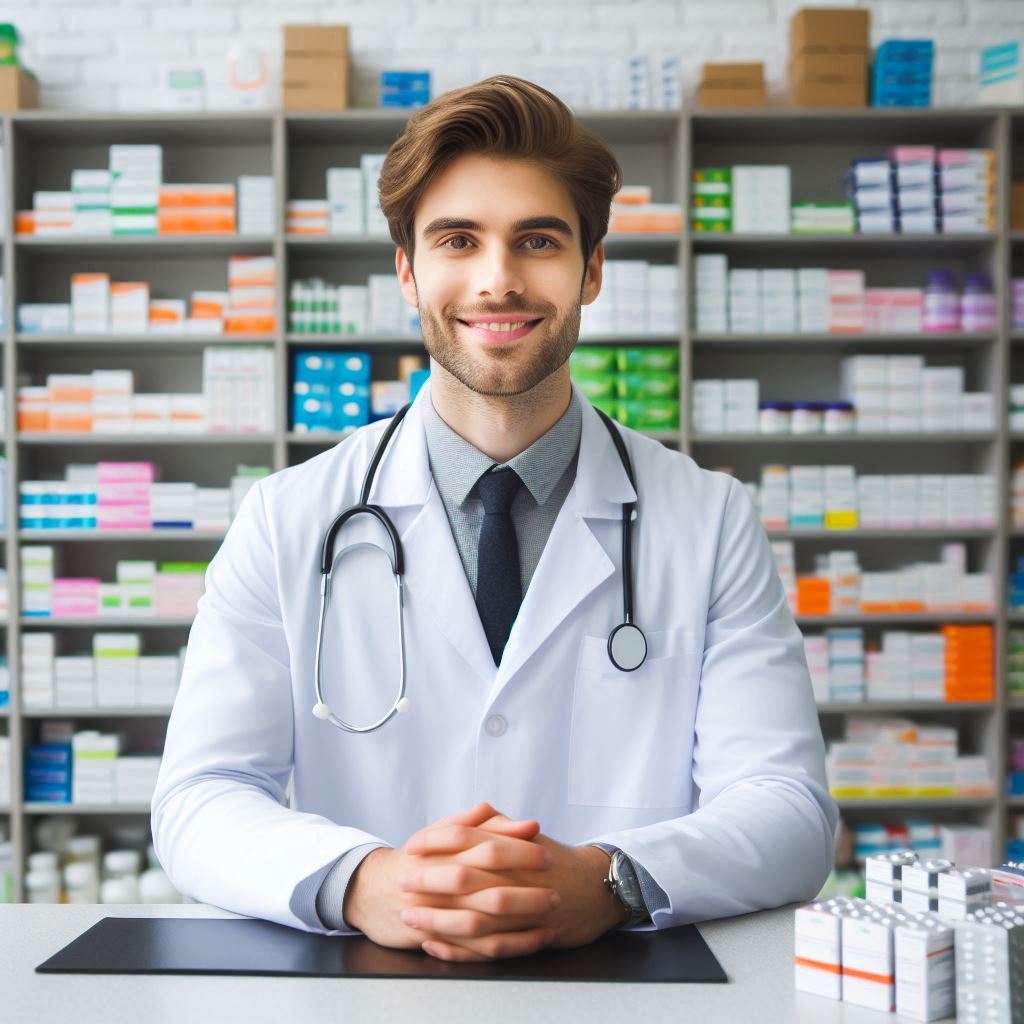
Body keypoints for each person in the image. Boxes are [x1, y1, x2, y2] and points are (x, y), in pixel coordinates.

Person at [151, 75, 838, 964]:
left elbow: (789, 810)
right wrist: (365, 882)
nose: (498, 280)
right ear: (408, 269)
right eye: (457, 240)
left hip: (626, 996)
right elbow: (199, 799)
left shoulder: (707, 520)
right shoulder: (290, 518)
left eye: (538, 240)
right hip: (369, 991)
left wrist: (612, 881)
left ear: (592, 268)